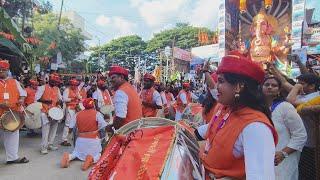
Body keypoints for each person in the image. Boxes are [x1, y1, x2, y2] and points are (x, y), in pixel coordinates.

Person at [200, 52, 278, 179]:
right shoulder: (227, 108)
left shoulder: (256, 127)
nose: (216, 87)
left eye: (220, 81)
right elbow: (213, 128)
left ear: (238, 87)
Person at [262, 76, 307, 180]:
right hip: (263, 161)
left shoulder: (285, 107)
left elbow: (300, 135)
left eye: (274, 85)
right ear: (261, 88)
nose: (270, 87)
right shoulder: (258, 108)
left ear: (279, 90)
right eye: (266, 84)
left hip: (283, 162)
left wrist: (283, 153)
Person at [286, 73, 320, 180]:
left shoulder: (316, 97)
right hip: (302, 142)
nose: (299, 85)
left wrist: (296, 87)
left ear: (312, 86)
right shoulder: (303, 95)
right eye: (298, 83)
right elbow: (283, 83)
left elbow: (290, 101)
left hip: (311, 144)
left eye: (302, 83)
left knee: (310, 172)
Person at [60, 98, 107, 171]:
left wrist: (69, 135)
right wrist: (97, 130)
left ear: (84, 105)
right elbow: (103, 126)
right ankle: (91, 159)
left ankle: (69, 157)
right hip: (93, 140)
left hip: (80, 141)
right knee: (99, 154)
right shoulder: (97, 113)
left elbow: (71, 127)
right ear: (93, 105)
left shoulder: (77, 114)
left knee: (76, 153)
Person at [0, 60, 29, 164]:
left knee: (12, 135)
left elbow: (23, 93)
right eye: (0, 70)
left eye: (3, 70)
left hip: (12, 113)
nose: (1, 72)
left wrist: (21, 99)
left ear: (7, 70)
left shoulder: (14, 82)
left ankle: (12, 158)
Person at [107, 66, 142, 131]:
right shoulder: (130, 88)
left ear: (122, 77)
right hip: (136, 129)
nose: (110, 80)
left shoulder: (121, 92)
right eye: (110, 78)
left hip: (126, 133)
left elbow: (120, 118)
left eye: (113, 77)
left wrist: (110, 128)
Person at [35, 73, 62, 154]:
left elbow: (60, 99)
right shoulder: (42, 88)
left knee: (54, 129)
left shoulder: (57, 89)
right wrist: (45, 101)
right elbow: (36, 99)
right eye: (53, 81)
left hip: (54, 112)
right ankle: (43, 147)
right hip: (45, 111)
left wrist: (59, 102)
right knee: (46, 130)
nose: (54, 83)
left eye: (56, 82)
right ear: (49, 80)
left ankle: (50, 144)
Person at [61, 78, 81, 146]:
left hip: (76, 108)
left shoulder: (77, 90)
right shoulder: (67, 90)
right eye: (73, 85)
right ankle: (64, 140)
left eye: (75, 85)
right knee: (67, 124)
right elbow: (64, 99)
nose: (74, 86)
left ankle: (72, 137)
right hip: (69, 108)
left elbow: (79, 97)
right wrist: (72, 99)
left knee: (75, 124)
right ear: (70, 85)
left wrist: (79, 98)